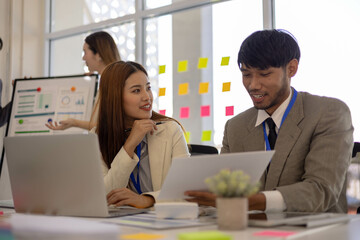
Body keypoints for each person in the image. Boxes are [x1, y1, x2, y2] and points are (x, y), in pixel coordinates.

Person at [185, 29, 353, 213]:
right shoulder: (235, 127)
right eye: (246, 74)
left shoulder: (328, 113)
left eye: (264, 74)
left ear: (291, 68)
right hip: (251, 230)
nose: (253, 85)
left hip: (315, 231)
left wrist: (251, 201)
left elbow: (320, 190)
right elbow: (225, 189)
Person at [94, 61, 190, 208]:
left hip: (164, 221)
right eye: (136, 91)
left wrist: (147, 200)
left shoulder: (170, 130)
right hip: (122, 223)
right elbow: (103, 196)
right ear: (115, 97)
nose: (147, 97)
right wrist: (130, 144)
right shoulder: (96, 137)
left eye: (148, 88)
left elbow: (186, 189)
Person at [46, 31, 121, 131]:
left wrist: (75, 123)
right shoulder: (109, 81)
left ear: (98, 55)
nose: (83, 57)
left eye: (85, 52)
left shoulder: (112, 84)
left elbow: (107, 127)